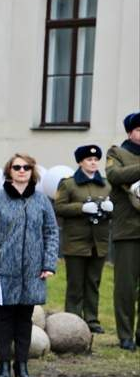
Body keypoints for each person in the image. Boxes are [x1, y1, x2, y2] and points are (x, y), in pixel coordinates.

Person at [0, 154, 59, 377]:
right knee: (3, 319)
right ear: (9, 171)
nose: (22, 171)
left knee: (24, 319)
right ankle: (3, 365)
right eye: (17, 167)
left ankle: (21, 365)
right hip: (3, 268)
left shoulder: (41, 201)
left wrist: (49, 263)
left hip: (33, 271)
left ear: (33, 171)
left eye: (26, 167)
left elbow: (51, 232)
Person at [54, 145, 113, 333]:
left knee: (93, 281)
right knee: (75, 283)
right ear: (80, 162)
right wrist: (81, 208)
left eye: (96, 160)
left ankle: (92, 319)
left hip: (99, 241)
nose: (93, 163)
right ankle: (72, 318)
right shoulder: (68, 184)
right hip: (76, 241)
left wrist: (111, 208)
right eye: (89, 160)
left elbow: (116, 208)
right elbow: (59, 208)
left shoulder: (106, 184)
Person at [106, 112, 140, 351]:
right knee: (126, 287)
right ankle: (125, 335)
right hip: (128, 229)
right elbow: (114, 175)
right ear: (131, 132)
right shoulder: (117, 153)